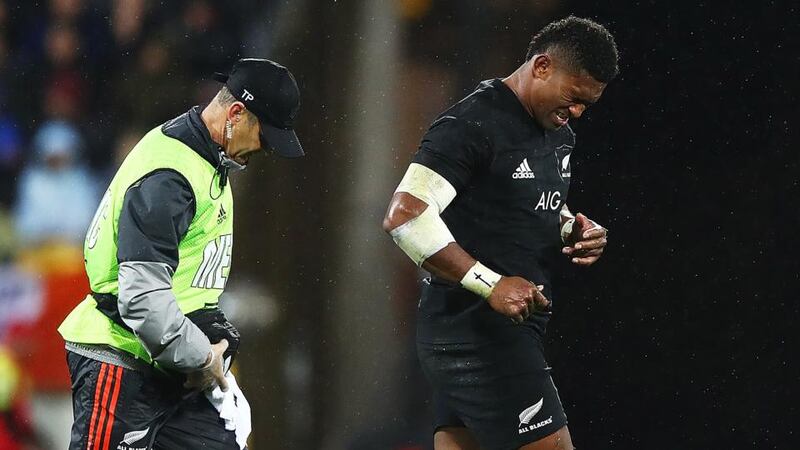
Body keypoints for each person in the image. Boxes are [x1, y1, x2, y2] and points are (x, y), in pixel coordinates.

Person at [382, 17, 618, 450]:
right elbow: (406, 216)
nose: (579, 112)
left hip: (501, 330)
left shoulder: (558, 133)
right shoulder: (472, 122)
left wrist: (571, 227)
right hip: (477, 331)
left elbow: (522, 202)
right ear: (542, 67)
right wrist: (490, 284)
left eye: (589, 103)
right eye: (574, 97)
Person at [58, 58, 305, 450]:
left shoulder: (207, 159)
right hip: (123, 357)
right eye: (264, 134)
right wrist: (203, 358)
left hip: (168, 362)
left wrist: (215, 334)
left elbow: (185, 281)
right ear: (236, 113)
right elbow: (141, 299)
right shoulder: (170, 176)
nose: (265, 149)